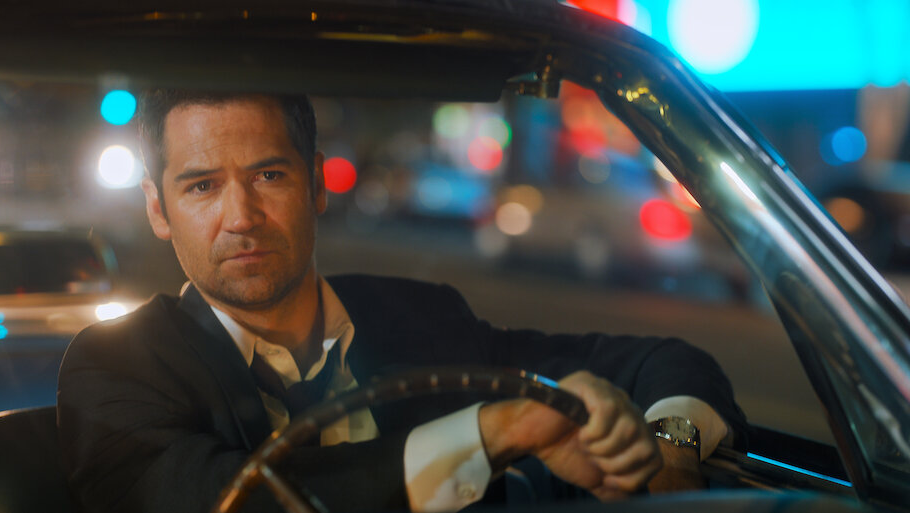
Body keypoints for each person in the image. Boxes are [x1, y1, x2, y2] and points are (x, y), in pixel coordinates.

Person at [56, 90, 746, 513]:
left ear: (317, 185)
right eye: (202, 186)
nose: (241, 216)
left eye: (268, 175)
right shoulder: (114, 367)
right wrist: (495, 432)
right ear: (158, 209)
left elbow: (663, 359)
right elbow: (230, 500)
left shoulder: (425, 319)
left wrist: (670, 451)